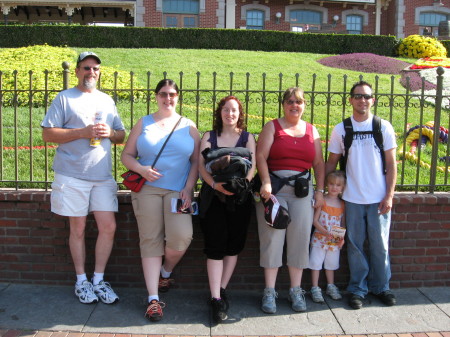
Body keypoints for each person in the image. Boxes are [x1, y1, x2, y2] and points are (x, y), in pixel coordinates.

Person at [41, 51, 126, 304]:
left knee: (108, 227)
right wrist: (82, 132)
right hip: (72, 174)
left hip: (101, 176)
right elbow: (48, 134)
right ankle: (81, 281)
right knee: (77, 228)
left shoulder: (107, 101)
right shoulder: (65, 98)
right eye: (86, 68)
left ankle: (98, 280)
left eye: (95, 69)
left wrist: (110, 132)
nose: (91, 73)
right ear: (77, 71)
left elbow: (121, 135)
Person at [121, 79, 200, 321]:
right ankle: (153, 298)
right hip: (148, 190)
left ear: (178, 97)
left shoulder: (188, 126)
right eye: (163, 94)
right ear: (156, 96)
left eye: (172, 94)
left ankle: (165, 271)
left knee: (181, 236)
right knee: (150, 240)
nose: (168, 98)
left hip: (178, 192)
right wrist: (142, 169)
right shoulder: (143, 122)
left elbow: (196, 161)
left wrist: (189, 187)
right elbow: (126, 155)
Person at [325, 80, 397, 310]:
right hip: (352, 198)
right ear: (350, 100)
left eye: (366, 96)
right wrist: (324, 192)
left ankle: (381, 287)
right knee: (355, 246)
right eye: (357, 96)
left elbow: (391, 163)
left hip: (378, 199)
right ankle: (358, 289)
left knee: (380, 245)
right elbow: (331, 162)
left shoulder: (382, 127)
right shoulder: (341, 129)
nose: (362, 100)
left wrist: (389, 195)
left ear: (372, 100)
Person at [255, 87, 325, 314]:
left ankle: (296, 290)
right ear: (283, 104)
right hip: (274, 191)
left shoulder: (312, 131)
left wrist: (321, 191)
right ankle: (270, 291)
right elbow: (260, 156)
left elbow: (319, 164)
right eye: (290, 101)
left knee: (300, 239)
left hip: (302, 193)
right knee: (272, 240)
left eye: (299, 102)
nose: (294, 105)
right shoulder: (272, 127)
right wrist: (265, 181)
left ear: (304, 105)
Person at [198, 96, 256, 323]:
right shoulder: (209, 137)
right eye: (225, 109)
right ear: (219, 112)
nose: (229, 114)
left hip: (239, 198)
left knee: (234, 245)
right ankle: (214, 298)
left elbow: (253, 166)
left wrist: (242, 185)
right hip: (213, 198)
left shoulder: (247, 137)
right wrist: (214, 184)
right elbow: (201, 166)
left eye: (234, 110)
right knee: (215, 245)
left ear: (239, 113)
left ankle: (221, 290)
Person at [309, 170, 346, 303]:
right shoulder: (322, 200)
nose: (334, 187)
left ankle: (330, 285)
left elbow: (342, 224)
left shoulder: (342, 204)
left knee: (331, 264)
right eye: (331, 184)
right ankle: (315, 287)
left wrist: (340, 239)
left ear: (342, 188)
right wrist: (325, 232)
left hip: (333, 241)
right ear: (326, 185)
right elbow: (315, 221)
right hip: (320, 238)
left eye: (338, 185)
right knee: (315, 263)